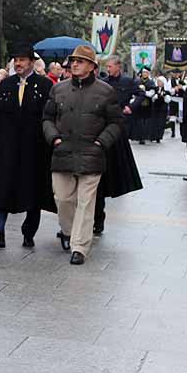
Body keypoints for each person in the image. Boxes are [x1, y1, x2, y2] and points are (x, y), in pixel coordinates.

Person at [43, 45, 124, 265]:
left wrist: (101, 142)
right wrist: (54, 138)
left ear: (91, 66)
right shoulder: (58, 89)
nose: (74, 64)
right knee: (63, 199)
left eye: (80, 61)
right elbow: (47, 118)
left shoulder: (105, 91)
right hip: (63, 152)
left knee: (86, 202)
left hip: (92, 153)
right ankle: (69, 233)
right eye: (73, 61)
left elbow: (116, 122)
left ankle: (79, 247)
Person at [0, 46, 54, 248]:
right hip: (5, 148)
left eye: (22, 60)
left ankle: (29, 233)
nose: (18, 64)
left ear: (31, 62)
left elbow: (50, 116)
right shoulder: (5, 85)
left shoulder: (45, 86)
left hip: (33, 149)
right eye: (15, 60)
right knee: (0, 189)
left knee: (32, 192)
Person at [97, 56, 145, 234]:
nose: (108, 69)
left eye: (110, 66)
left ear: (118, 66)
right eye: (106, 66)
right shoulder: (103, 82)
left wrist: (131, 107)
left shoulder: (128, 81)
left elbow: (141, 94)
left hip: (119, 125)